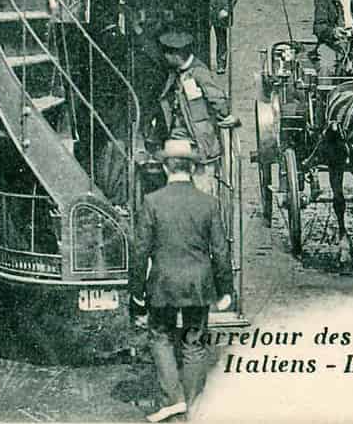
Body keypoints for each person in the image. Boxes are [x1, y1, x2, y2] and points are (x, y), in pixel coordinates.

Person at [131, 137, 233, 424]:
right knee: (194, 343)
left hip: (162, 283)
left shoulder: (152, 202)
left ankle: (172, 400)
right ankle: (192, 406)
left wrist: (136, 291)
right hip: (199, 284)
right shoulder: (209, 204)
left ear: (165, 167)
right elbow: (220, 250)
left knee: (160, 337)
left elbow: (141, 251)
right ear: (192, 168)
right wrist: (226, 289)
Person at [151, 32, 233, 165]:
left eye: (167, 55)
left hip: (197, 136)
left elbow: (218, 99)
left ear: (176, 55)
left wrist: (223, 115)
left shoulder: (199, 72)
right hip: (178, 133)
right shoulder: (176, 73)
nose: (165, 59)